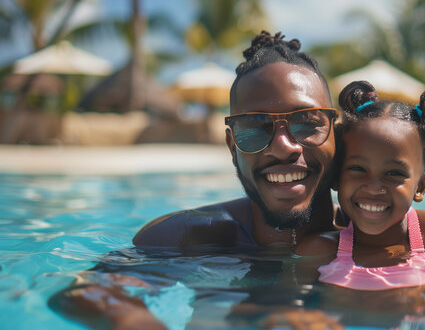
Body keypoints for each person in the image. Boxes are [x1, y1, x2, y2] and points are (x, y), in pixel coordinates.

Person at [49, 31, 345, 330]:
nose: (283, 146)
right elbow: (86, 292)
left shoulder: (375, 236)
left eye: (307, 122)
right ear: (233, 148)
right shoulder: (189, 238)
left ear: (339, 138)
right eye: (254, 127)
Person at [296, 81, 425, 291]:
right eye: (358, 169)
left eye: (394, 174)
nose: (374, 187)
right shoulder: (318, 252)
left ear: (420, 186)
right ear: (336, 177)